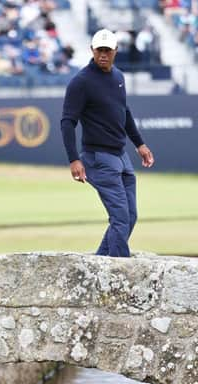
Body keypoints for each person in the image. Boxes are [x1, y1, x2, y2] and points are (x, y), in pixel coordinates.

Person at [60, 29, 154, 258]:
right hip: (97, 157)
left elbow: (125, 112)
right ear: (92, 50)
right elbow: (67, 122)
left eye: (107, 50)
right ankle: (120, 270)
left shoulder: (119, 77)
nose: (103, 54)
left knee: (130, 216)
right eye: (99, 50)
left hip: (121, 155)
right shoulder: (80, 82)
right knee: (121, 217)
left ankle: (101, 262)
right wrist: (74, 159)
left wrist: (139, 144)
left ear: (115, 51)